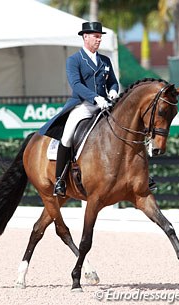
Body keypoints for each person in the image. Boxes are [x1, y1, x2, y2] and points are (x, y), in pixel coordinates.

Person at [39, 21, 119, 197]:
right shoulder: (74, 60)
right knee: (67, 136)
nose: (99, 40)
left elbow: (113, 81)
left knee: (126, 128)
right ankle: (59, 180)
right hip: (83, 105)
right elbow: (76, 84)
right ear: (85, 37)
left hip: (104, 105)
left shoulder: (105, 60)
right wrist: (95, 97)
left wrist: (113, 91)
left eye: (100, 37)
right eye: (96, 37)